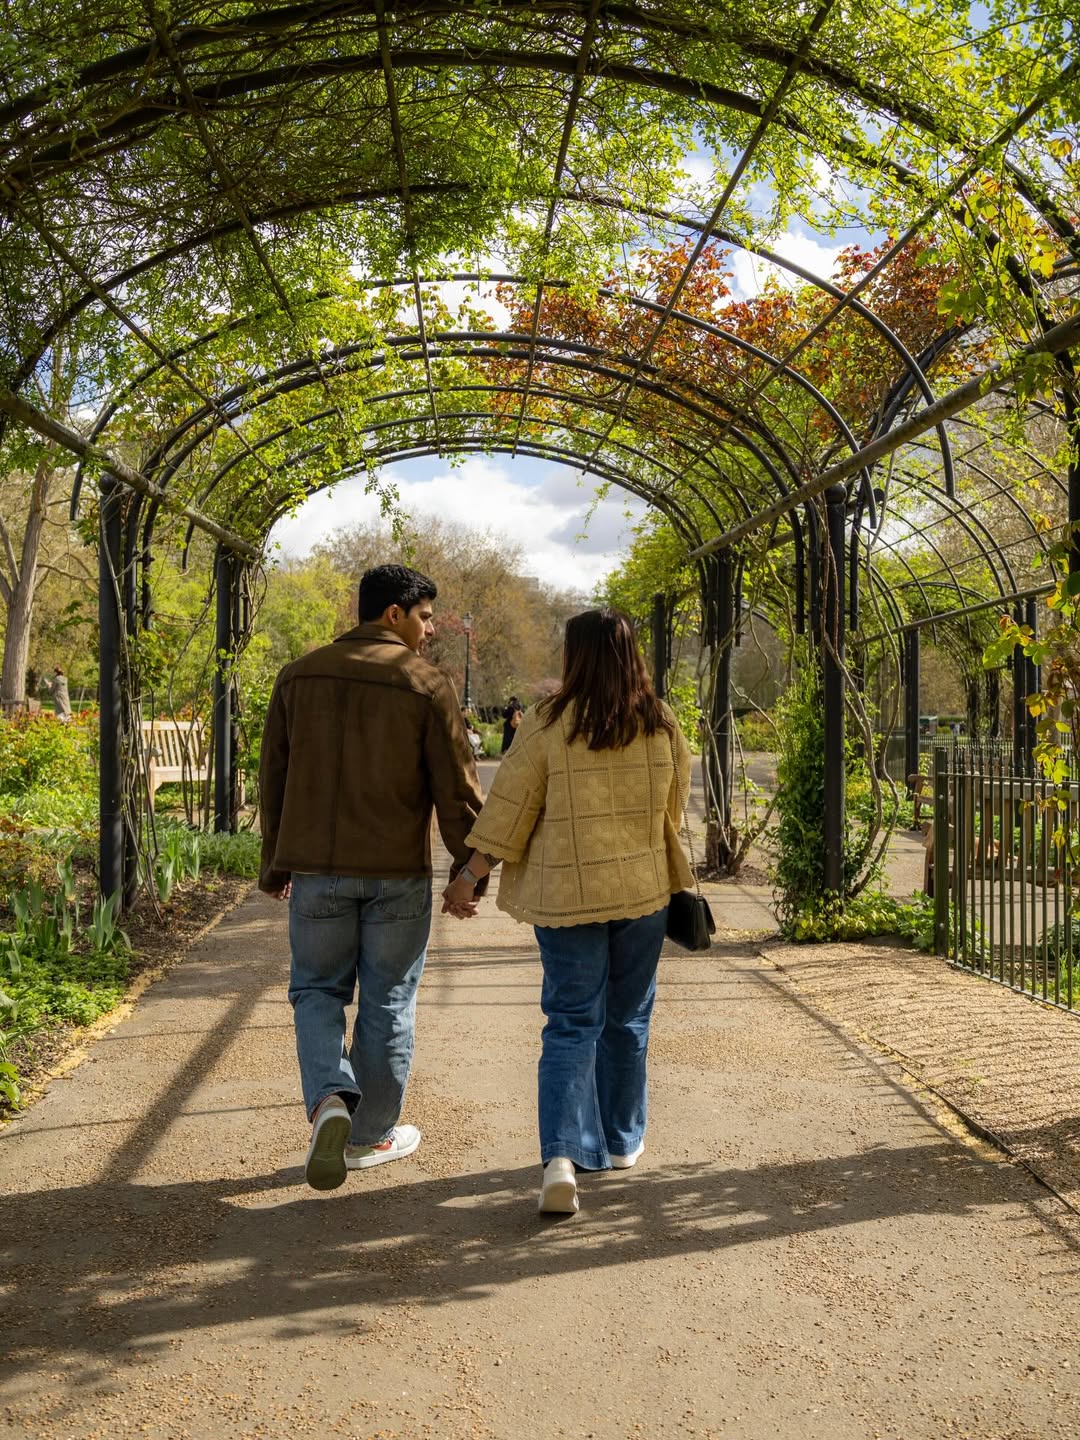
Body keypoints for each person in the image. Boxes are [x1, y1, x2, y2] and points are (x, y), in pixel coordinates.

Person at [442, 608, 693, 1216]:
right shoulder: (660, 722)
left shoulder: (548, 724)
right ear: (632, 655)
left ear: (572, 657)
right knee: (628, 1020)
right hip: (643, 894)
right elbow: (673, 806)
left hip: (568, 899)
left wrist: (470, 876)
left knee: (570, 1022)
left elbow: (510, 808)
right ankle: (621, 1140)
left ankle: (561, 1156)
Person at [259, 563, 487, 1191]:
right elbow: (456, 790)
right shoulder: (426, 683)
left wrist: (276, 862)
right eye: (424, 616)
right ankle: (371, 1135)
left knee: (315, 990)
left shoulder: (297, 677)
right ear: (392, 614)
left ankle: (331, 1098)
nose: (430, 628)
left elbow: (273, 778)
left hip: (316, 872)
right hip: (395, 875)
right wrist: (469, 869)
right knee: (388, 997)